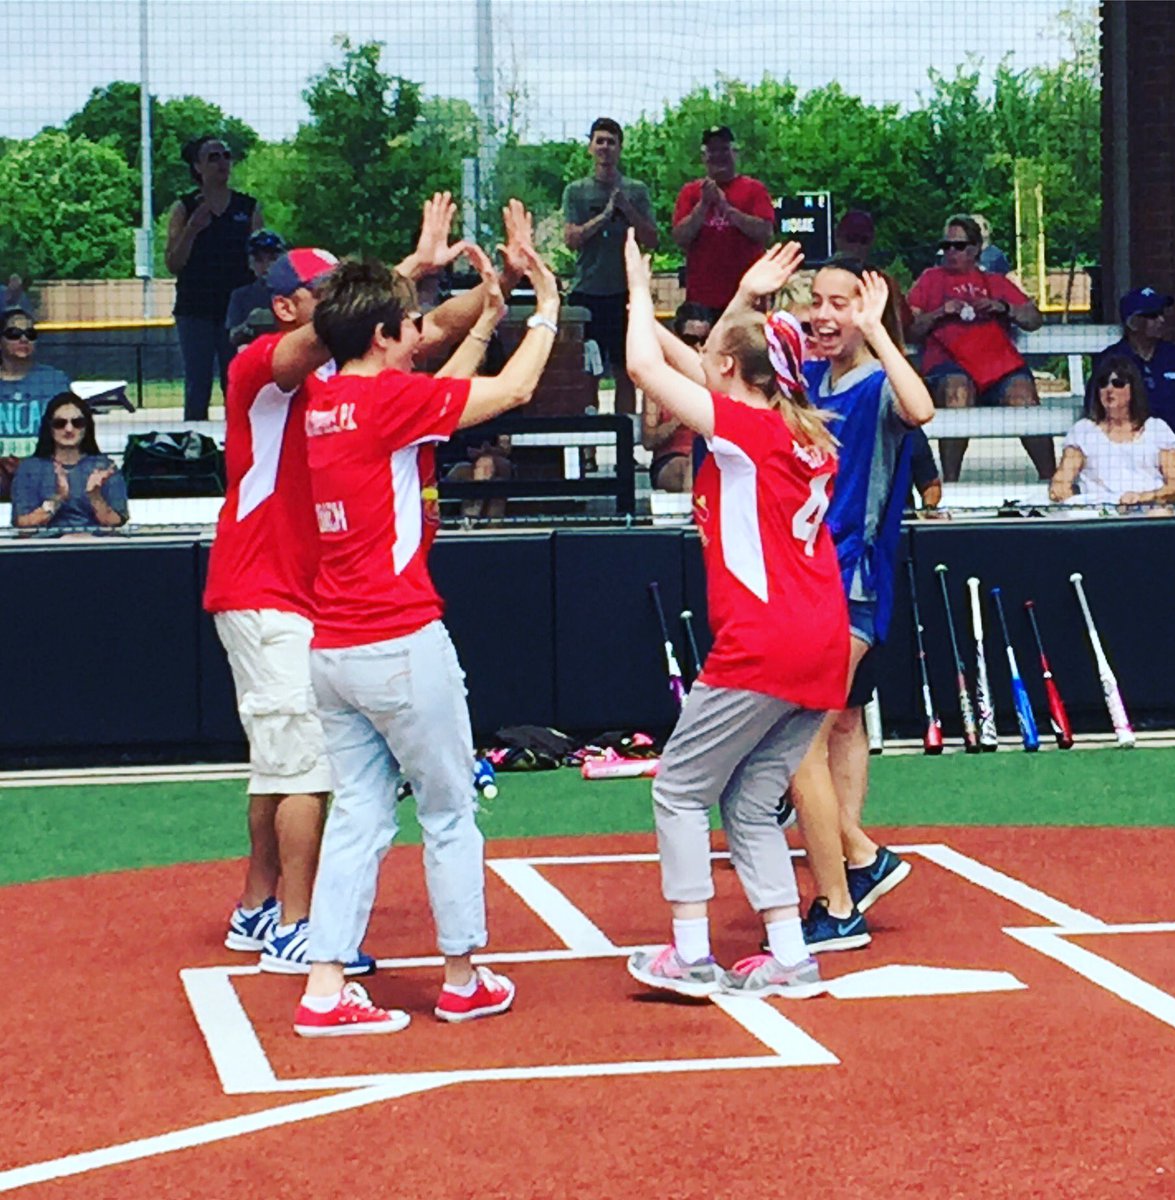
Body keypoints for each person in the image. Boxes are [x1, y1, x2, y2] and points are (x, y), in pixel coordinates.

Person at [274, 236, 561, 1036]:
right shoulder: (380, 403)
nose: (415, 330)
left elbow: (431, 397)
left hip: (333, 649)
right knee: (448, 809)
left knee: (362, 813)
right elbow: (509, 393)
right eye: (407, 324)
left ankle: (325, 984)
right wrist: (546, 311)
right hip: (399, 641)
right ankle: (463, 975)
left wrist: (478, 324)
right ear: (379, 336)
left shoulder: (329, 398)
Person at [621, 231, 848, 1000]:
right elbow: (706, 365)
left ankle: (689, 951)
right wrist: (741, 303)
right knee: (750, 799)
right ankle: (789, 951)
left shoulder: (744, 432)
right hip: (820, 640)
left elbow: (647, 367)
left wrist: (633, 294)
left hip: (765, 640)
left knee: (679, 789)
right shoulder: (803, 431)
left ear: (731, 370)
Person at [743, 249, 933, 953]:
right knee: (844, 724)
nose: (823, 314)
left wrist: (880, 330)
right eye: (815, 301)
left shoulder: (881, 382)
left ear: (868, 308)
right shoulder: (813, 376)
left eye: (839, 303)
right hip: (814, 578)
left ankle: (846, 877)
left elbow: (922, 409)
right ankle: (852, 870)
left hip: (851, 583)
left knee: (796, 743)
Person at [204, 245, 377, 977]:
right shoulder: (263, 366)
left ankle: (256, 908)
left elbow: (414, 331)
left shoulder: (332, 373)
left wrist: (463, 286)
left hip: (280, 591)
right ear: (286, 305)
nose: (341, 301)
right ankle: (298, 926)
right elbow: (353, 324)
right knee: (307, 764)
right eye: (326, 291)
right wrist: (394, 278)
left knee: (278, 763)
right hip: (262, 588)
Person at [907, 214, 1052, 482]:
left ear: (975, 249)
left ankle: (1052, 481)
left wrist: (1003, 307)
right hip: (948, 364)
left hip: (995, 365)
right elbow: (909, 328)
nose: (950, 252)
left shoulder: (995, 282)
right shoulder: (929, 280)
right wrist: (940, 312)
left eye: (958, 246)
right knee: (957, 389)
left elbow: (1034, 320)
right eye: (946, 245)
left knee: (1023, 395)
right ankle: (950, 486)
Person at [562, 117, 658, 416]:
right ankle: (587, 449)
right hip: (587, 292)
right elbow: (571, 239)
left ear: (620, 148)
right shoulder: (576, 191)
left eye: (611, 142)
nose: (605, 147)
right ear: (590, 146)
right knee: (586, 371)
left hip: (623, 293)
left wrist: (627, 209)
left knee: (626, 370)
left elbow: (653, 239)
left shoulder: (637, 190)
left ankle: (624, 441)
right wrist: (604, 216)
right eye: (599, 141)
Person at [165, 135, 264, 420]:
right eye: (213, 157)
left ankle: (241, 449)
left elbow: (261, 260)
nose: (222, 163)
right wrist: (193, 229)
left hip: (237, 311)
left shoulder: (247, 208)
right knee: (198, 385)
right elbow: (173, 263)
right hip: (195, 310)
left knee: (237, 384)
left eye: (226, 156)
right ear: (197, 167)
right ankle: (195, 452)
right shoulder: (184, 208)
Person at [1050, 354, 1175, 511]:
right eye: (1103, 384)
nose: (1109, 389)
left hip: (1149, 509)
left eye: (1118, 383)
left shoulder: (1157, 429)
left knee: (1159, 514)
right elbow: (1060, 484)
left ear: (1133, 389)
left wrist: (1142, 498)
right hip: (1101, 516)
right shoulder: (1083, 431)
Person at [1095, 287, 1175, 480]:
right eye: (1152, 316)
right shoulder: (1110, 360)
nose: (1161, 320)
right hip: (1127, 453)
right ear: (1133, 323)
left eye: (1161, 314)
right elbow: (1098, 413)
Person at [672, 126, 775, 312]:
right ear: (704, 156)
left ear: (734, 153)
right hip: (701, 301)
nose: (718, 155)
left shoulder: (754, 189)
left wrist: (726, 208)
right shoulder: (690, 192)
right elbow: (680, 238)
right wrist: (703, 205)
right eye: (712, 150)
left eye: (724, 149)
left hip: (746, 299)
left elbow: (765, 232)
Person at [10, 393, 127, 529]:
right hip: (46, 546)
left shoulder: (105, 467)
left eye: (77, 423)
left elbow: (116, 522)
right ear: (49, 428)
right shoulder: (30, 469)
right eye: (60, 423)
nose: (69, 429)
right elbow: (22, 523)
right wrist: (57, 499)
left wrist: (95, 497)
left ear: (86, 427)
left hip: (94, 545)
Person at [642, 302, 716, 492]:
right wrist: (682, 414)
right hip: (672, 458)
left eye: (705, 339)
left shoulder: (718, 376)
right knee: (692, 465)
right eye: (691, 339)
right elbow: (649, 441)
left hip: (712, 456)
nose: (699, 347)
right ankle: (695, 521)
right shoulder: (660, 377)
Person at [0, 307, 72, 499]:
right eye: (14, 334)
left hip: (45, 471)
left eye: (30, 334)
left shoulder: (55, 380)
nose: (23, 339)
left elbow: (73, 434)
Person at [833, 209, 911, 346]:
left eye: (863, 240)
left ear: (871, 242)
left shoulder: (882, 283)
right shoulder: (820, 279)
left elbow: (905, 327)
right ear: (837, 238)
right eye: (851, 238)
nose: (856, 246)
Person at [225, 230, 287, 348]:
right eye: (259, 260)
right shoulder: (240, 295)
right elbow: (232, 337)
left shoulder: (296, 292)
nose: (266, 264)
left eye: (273, 258)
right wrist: (248, 325)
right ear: (250, 263)